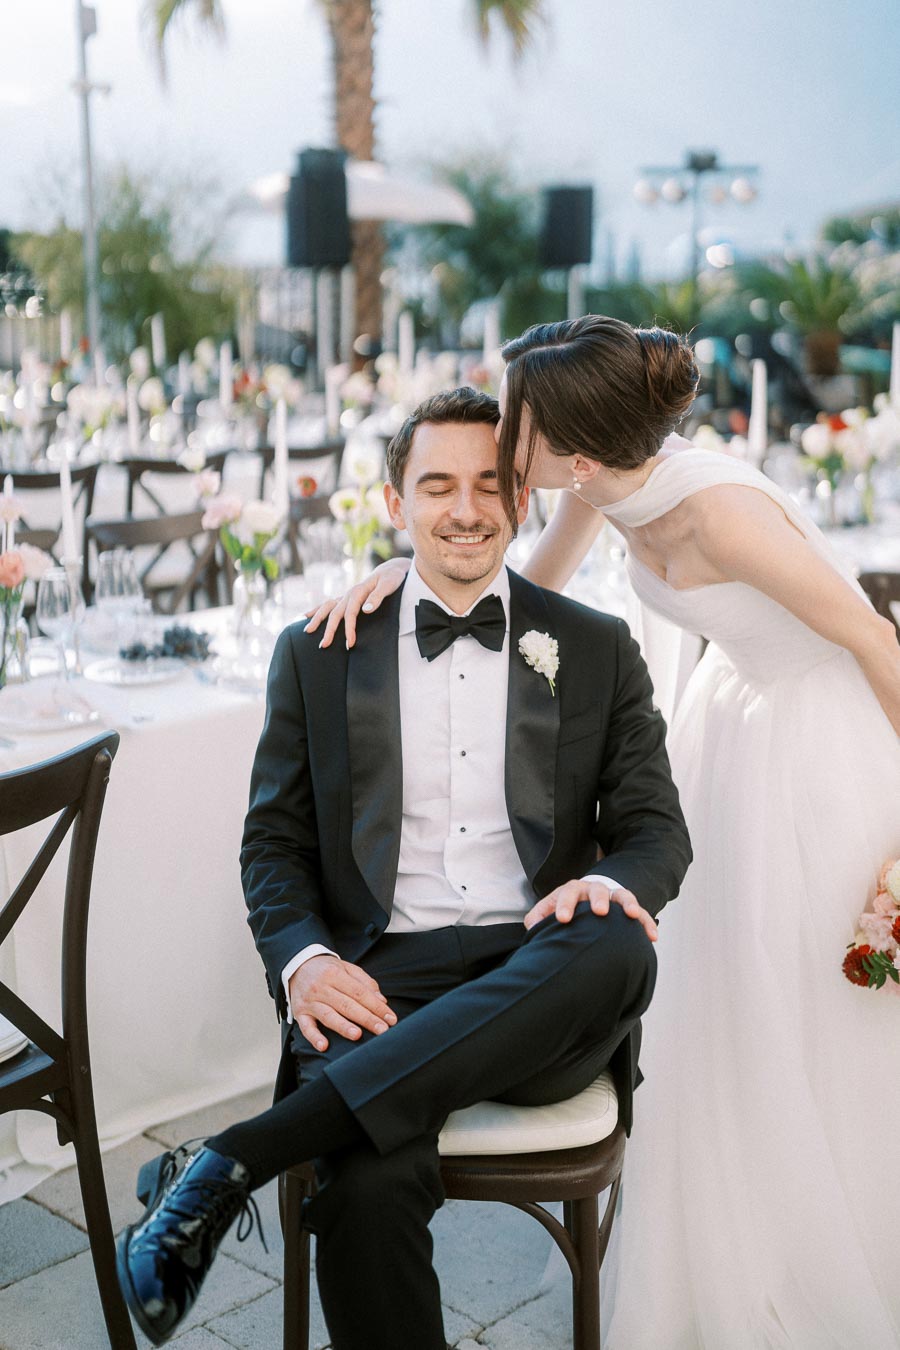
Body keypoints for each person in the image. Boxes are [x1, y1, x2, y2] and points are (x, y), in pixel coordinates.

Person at [308, 317, 900, 1348]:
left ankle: (829, 1245)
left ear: (576, 451)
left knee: (809, 1004)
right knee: (726, 1006)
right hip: (736, 727)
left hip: (824, 741)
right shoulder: (597, 482)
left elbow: (875, 637)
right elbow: (519, 592)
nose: (498, 450)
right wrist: (401, 584)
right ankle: (739, 1237)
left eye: (513, 434)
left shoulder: (719, 515)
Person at [116, 385, 691, 1349]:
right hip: (379, 984)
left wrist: (617, 880)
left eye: (484, 484)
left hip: (542, 976)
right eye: (435, 486)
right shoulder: (319, 652)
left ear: (520, 497)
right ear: (395, 504)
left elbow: (656, 829)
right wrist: (304, 961)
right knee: (366, 1186)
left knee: (620, 945)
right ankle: (285, 1146)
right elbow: (274, 845)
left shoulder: (596, 645)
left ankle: (229, 1161)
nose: (462, 509)